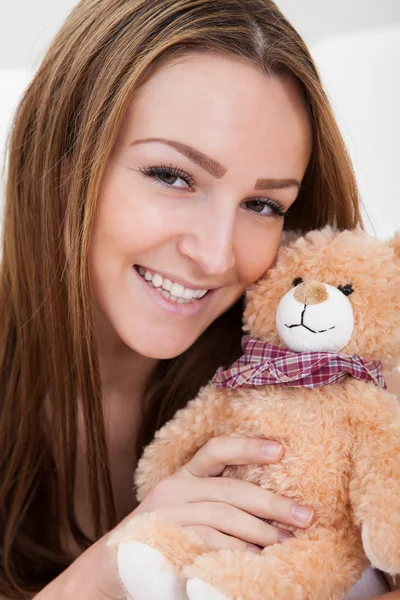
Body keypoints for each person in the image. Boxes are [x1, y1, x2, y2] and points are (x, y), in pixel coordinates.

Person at [0, 0, 399, 598]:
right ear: (60, 159)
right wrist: (106, 573)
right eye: (172, 175)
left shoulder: (335, 378)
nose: (216, 256)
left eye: (263, 204)